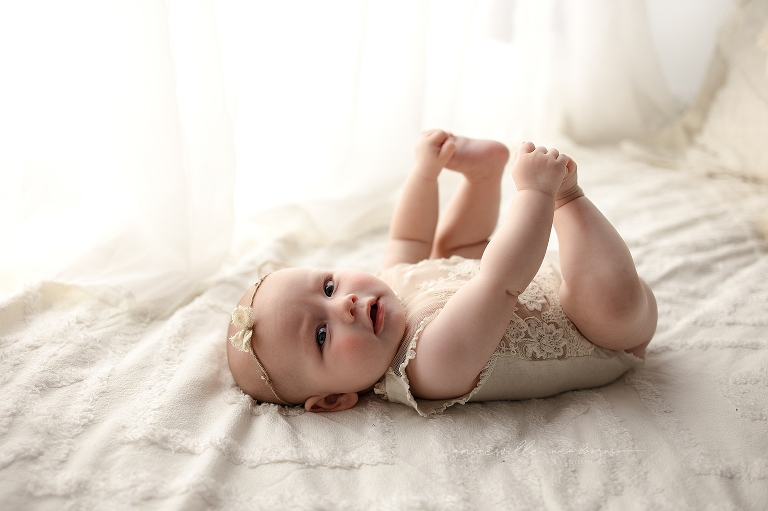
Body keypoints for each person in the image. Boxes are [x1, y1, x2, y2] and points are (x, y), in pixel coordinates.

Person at [226, 130, 657, 416]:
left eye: (328, 286)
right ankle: (570, 199)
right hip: (601, 334)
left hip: (545, 279)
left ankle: (481, 178)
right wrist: (538, 194)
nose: (345, 304)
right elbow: (501, 282)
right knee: (607, 306)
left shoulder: (386, 292)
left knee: (448, 253)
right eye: (321, 335)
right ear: (335, 399)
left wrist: (426, 173)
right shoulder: (429, 366)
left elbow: (410, 237)